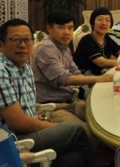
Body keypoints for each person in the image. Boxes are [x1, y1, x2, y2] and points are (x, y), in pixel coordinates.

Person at [0, 19, 98, 167]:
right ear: (1, 45)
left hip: (20, 133)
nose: (23, 45)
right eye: (16, 40)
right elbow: (18, 122)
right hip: (3, 143)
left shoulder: (24, 68)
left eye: (27, 40)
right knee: (76, 132)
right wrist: (50, 126)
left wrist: (41, 121)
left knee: (73, 159)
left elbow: (26, 110)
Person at [32, 11, 113, 147]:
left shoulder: (64, 47)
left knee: (105, 117)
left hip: (70, 101)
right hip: (51, 107)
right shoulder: (45, 48)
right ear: (49, 28)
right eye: (61, 27)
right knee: (88, 133)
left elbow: (75, 71)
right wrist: (99, 79)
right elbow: (63, 79)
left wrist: (95, 80)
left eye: (70, 28)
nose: (67, 32)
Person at [74, 7, 120, 75]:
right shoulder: (87, 40)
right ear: (92, 23)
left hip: (101, 75)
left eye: (107, 20)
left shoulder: (107, 38)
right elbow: (102, 62)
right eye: (100, 19)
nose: (104, 23)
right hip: (83, 78)